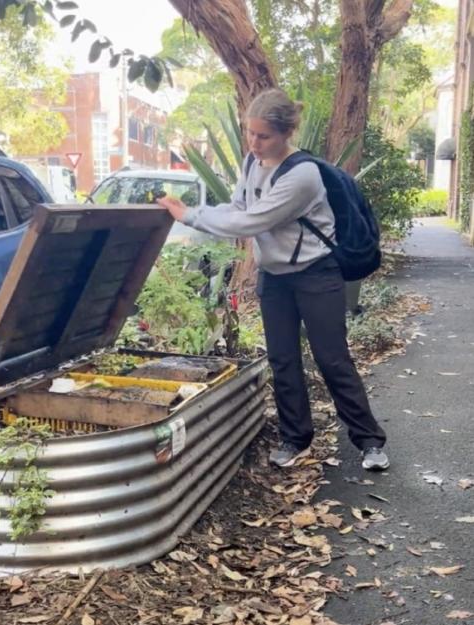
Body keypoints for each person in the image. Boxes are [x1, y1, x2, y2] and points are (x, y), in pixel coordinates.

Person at [158, 88, 389, 471]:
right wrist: (198, 211)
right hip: (275, 278)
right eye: (250, 133)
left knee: (332, 359)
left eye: (263, 136)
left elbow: (253, 221)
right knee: (283, 360)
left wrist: (190, 216)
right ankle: (295, 438)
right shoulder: (252, 162)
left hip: (316, 274)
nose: (253, 142)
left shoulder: (303, 175)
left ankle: (369, 442)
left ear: (286, 133)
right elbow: (238, 207)